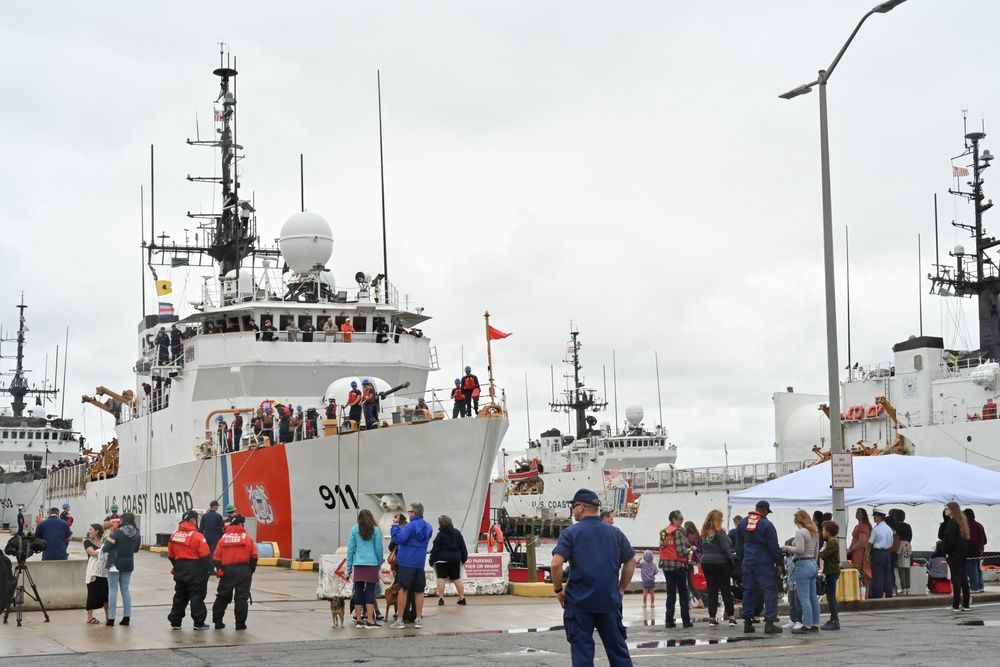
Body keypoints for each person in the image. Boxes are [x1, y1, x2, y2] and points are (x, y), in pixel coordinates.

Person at [550, 488, 635, 667]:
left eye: (573, 506)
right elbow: (631, 562)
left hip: (579, 602)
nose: (573, 510)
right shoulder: (615, 533)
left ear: (581, 507)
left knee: (582, 651)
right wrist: (620, 588)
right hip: (609, 601)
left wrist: (558, 590)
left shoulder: (570, 533)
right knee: (618, 650)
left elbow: (556, 564)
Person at [735, 500, 783, 634]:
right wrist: (779, 563)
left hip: (747, 561)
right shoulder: (766, 524)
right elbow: (774, 546)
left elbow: (739, 547)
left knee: (749, 590)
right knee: (770, 589)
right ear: (764, 510)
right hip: (763, 561)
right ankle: (769, 622)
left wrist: (743, 559)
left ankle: (748, 623)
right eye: (767, 511)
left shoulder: (743, 523)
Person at [389, 502, 434, 629]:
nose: (408, 514)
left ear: (413, 513)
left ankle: (400, 619)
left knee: (403, 590)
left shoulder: (410, 526)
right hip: (419, 563)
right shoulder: (428, 526)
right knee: (419, 591)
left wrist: (395, 525)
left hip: (406, 562)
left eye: (409, 512)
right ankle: (418, 619)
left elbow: (399, 539)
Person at [167, 509, 214, 630]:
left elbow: (171, 555)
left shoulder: (174, 535)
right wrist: (210, 569)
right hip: (196, 570)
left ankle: (175, 621)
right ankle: (198, 622)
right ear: (192, 520)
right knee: (196, 596)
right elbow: (205, 556)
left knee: (180, 595)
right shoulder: (197, 536)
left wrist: (177, 566)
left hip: (180, 568)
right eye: (196, 520)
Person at [212, 513, 258, 630]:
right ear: (240, 524)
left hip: (227, 570)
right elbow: (254, 555)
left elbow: (216, 557)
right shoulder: (246, 538)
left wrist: (220, 569)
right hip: (243, 569)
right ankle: (240, 624)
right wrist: (250, 570)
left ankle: (218, 622)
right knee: (241, 597)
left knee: (222, 596)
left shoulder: (223, 538)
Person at [780, 509, 820, 634]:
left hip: (802, 564)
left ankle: (807, 625)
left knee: (804, 598)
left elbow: (799, 549)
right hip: (813, 563)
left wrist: (786, 548)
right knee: (813, 598)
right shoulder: (814, 532)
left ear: (798, 521)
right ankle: (815, 624)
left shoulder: (800, 532)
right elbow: (816, 552)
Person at [346, 508, 384, 628]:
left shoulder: (354, 529)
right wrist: (378, 564)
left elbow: (351, 549)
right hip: (372, 563)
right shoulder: (376, 530)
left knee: (358, 591)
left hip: (358, 564)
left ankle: (358, 620)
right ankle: (370, 620)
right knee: (370, 592)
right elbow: (379, 549)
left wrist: (349, 566)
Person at [103, 512, 141, 626]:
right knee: (125, 589)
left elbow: (106, 548)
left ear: (123, 520)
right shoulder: (137, 533)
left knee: (113, 589)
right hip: (128, 563)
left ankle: (111, 618)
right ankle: (126, 617)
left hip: (114, 563)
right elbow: (136, 550)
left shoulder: (118, 533)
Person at [699, 509, 736, 627]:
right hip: (720, 563)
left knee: (712, 590)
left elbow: (701, 548)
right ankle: (731, 617)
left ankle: (712, 617)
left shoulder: (704, 533)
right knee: (726, 590)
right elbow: (726, 549)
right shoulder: (720, 533)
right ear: (719, 520)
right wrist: (731, 562)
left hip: (706, 563)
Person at [659, 509, 692, 629]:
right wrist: (689, 551)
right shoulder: (676, 532)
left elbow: (663, 547)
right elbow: (681, 551)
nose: (682, 521)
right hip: (677, 565)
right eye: (680, 519)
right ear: (674, 519)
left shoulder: (664, 531)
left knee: (670, 593)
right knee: (683, 592)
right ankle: (686, 620)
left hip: (665, 565)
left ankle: (669, 620)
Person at [430, 514, 468, 606]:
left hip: (441, 559)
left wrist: (432, 560)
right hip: (455, 559)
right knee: (456, 578)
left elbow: (435, 548)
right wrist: (464, 558)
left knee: (441, 578)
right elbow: (462, 547)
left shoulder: (440, 534)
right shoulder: (457, 533)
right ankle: (462, 598)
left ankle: (441, 598)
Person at [943, 501, 971, 611]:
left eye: (947, 508)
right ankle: (966, 603)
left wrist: (947, 551)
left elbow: (950, 539)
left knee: (956, 578)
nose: (945, 510)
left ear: (952, 510)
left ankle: (955, 604)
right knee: (963, 577)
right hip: (963, 552)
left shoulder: (952, 523)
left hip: (954, 553)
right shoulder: (962, 522)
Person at [84, 523, 109, 624]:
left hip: (104, 571)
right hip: (93, 572)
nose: (89, 531)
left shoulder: (104, 541)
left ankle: (108, 616)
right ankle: (89, 617)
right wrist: (105, 552)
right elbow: (92, 553)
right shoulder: (87, 542)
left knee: (106, 594)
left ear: (97, 531)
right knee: (92, 593)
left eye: (91, 529)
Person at [819, 520, 841, 630]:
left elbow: (823, 556)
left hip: (832, 572)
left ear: (828, 531)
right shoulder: (831, 543)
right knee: (830, 595)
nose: (822, 532)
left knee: (831, 596)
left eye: (823, 530)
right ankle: (833, 618)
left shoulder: (833, 543)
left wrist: (821, 551)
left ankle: (835, 619)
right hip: (829, 572)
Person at [868, 508, 894, 599]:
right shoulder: (889, 529)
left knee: (877, 576)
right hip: (887, 553)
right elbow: (891, 543)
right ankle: (889, 595)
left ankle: (877, 595)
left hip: (878, 553)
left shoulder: (876, 529)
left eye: (875, 516)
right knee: (887, 575)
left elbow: (870, 543)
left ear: (878, 516)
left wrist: (868, 555)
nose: (874, 518)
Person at [846, 507, 872, 588]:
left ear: (863, 515)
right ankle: (859, 589)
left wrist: (851, 549)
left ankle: (865, 593)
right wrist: (849, 549)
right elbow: (855, 539)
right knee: (856, 569)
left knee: (862, 570)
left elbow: (861, 541)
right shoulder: (857, 526)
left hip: (861, 551)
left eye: (858, 512)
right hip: (855, 551)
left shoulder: (863, 526)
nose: (856, 514)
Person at [964, 508, 987, 594]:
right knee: (978, 568)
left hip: (971, 550)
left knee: (971, 568)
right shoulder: (979, 525)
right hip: (980, 549)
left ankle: (974, 587)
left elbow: (971, 539)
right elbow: (985, 540)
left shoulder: (969, 525)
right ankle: (980, 586)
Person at [891, 508, 913, 595]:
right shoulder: (908, 526)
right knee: (907, 568)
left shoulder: (895, 526)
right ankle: (908, 588)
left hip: (899, 545)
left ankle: (903, 588)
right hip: (907, 546)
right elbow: (910, 537)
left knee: (901, 568)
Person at [683, 520, 704, 609]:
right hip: (693, 562)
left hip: (687, 561)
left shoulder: (688, 537)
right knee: (691, 584)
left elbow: (690, 549)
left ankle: (688, 603)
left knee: (686, 584)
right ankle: (701, 602)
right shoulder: (697, 536)